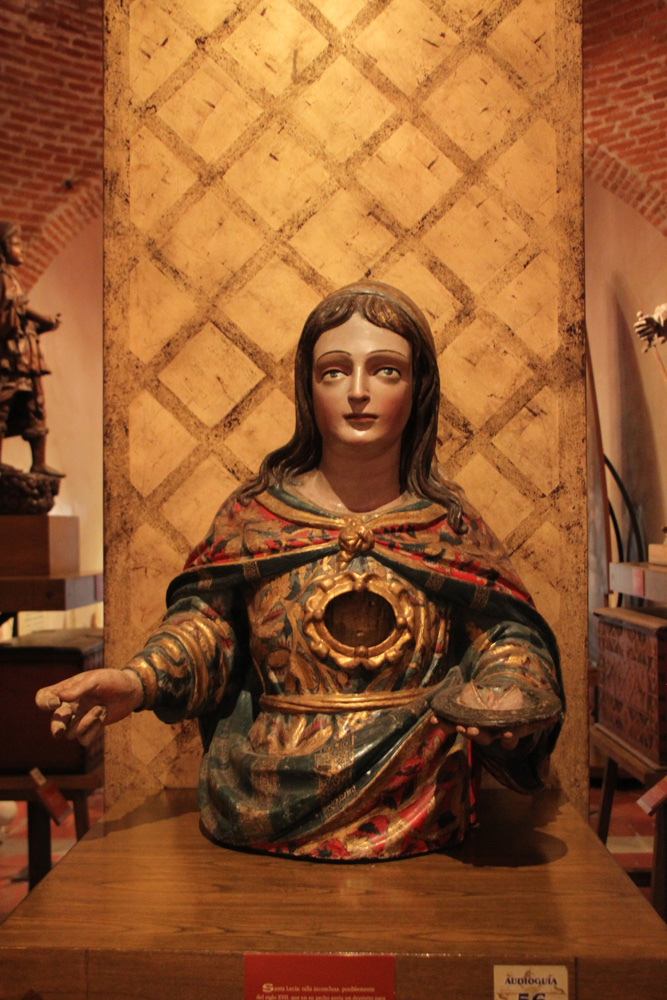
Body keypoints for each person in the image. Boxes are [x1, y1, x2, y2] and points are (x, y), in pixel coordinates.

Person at [36, 281, 563, 861]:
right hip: (266, 791)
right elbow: (208, 631)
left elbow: (506, 638)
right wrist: (139, 682)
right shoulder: (258, 517)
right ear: (307, 389)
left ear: (419, 389)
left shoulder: (447, 528)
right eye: (334, 371)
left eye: (386, 370)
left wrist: (510, 691)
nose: (357, 392)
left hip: (418, 791)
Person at [0, 221, 63, 476]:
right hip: (10, 357)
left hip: (25, 357)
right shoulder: (4, 279)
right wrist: (44, 318)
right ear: (3, 249)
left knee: (35, 406)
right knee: (3, 405)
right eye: (16, 244)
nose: (22, 249)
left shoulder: (13, 278)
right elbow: (17, 309)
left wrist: (41, 327)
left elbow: (21, 317)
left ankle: (38, 462)